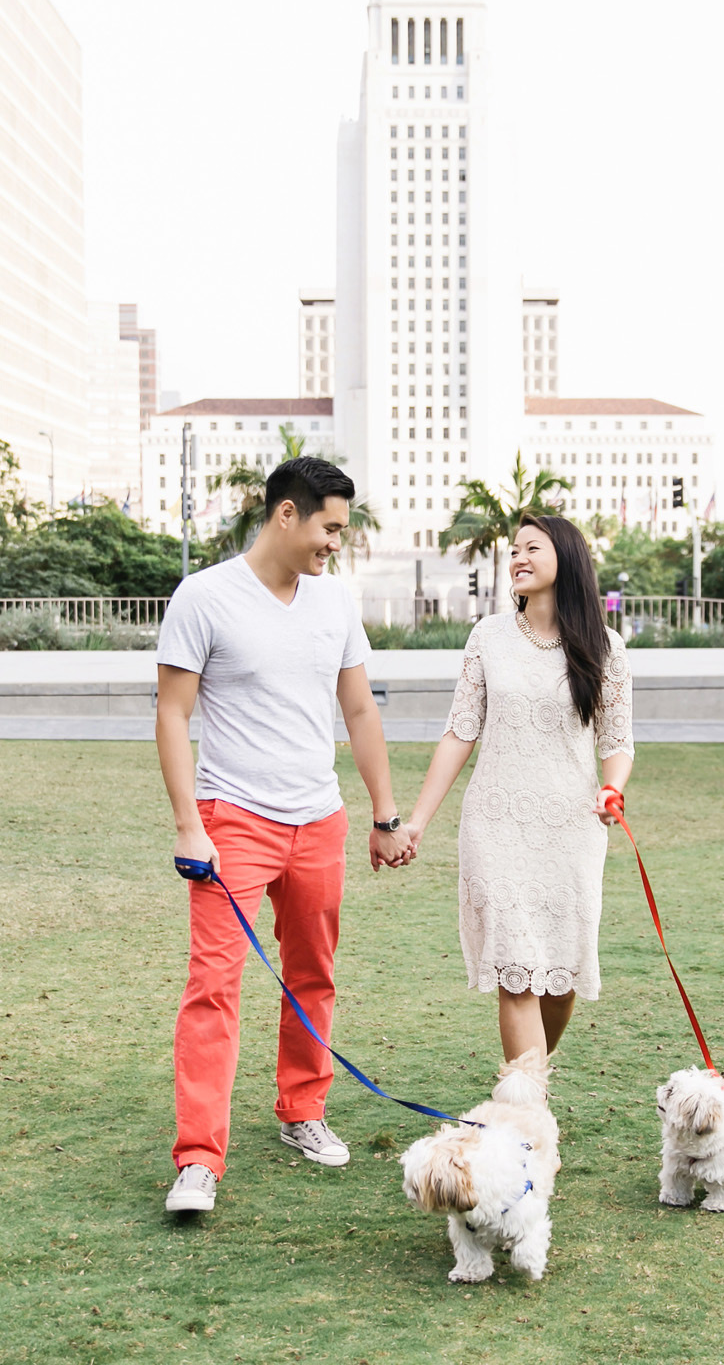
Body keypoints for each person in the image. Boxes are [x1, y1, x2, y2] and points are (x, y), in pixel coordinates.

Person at [155, 456, 414, 1214]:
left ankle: (303, 1111)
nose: (336, 542)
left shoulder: (335, 603)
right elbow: (173, 714)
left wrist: (383, 814)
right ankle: (199, 1159)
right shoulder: (204, 597)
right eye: (330, 527)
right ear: (286, 516)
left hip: (319, 820)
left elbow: (360, 712)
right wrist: (187, 827)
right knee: (213, 989)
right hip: (231, 821)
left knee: (314, 976)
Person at [407, 513, 634, 1066]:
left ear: (567, 559)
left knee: (560, 980)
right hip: (496, 825)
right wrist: (415, 822)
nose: (518, 558)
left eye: (532, 548)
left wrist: (612, 789)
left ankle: (524, 1084)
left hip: (572, 831)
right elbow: (460, 732)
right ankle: (528, 1119)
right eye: (513, 550)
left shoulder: (605, 646)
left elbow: (618, 738)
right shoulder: (488, 637)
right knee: (517, 972)